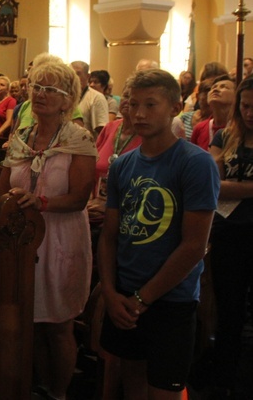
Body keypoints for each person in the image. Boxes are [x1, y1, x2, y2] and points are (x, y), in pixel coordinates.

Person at [0, 57, 96, 400]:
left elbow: (79, 197)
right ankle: (34, 387)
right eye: (37, 86)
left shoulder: (79, 139)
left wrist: (42, 203)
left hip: (61, 239)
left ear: (68, 98)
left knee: (59, 325)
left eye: (52, 88)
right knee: (26, 320)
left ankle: (59, 393)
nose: (41, 93)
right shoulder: (22, 137)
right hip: (19, 241)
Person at [98, 68, 219, 400]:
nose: (139, 113)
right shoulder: (122, 165)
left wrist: (143, 299)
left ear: (175, 107)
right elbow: (109, 236)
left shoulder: (195, 163)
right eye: (132, 104)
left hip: (170, 300)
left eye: (151, 105)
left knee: (163, 390)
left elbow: (194, 245)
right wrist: (109, 292)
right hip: (124, 294)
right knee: (131, 382)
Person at [207, 77, 253, 398]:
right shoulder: (226, 135)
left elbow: (225, 182)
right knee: (229, 309)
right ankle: (223, 379)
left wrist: (233, 186)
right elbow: (213, 182)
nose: (250, 113)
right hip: (228, 232)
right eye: (246, 106)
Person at [89, 85, 141, 226]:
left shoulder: (146, 135)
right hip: (94, 211)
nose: (126, 101)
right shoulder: (109, 128)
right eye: (124, 95)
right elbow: (91, 167)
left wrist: (110, 208)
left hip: (128, 217)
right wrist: (89, 201)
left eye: (132, 98)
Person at [191, 75, 235, 151]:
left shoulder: (239, 128)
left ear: (236, 96)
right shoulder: (199, 128)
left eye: (223, 87)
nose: (216, 89)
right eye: (213, 87)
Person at [71, 60, 109, 136]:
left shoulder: (97, 97)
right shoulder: (64, 96)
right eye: (71, 73)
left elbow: (102, 131)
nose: (74, 77)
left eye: (78, 74)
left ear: (87, 76)